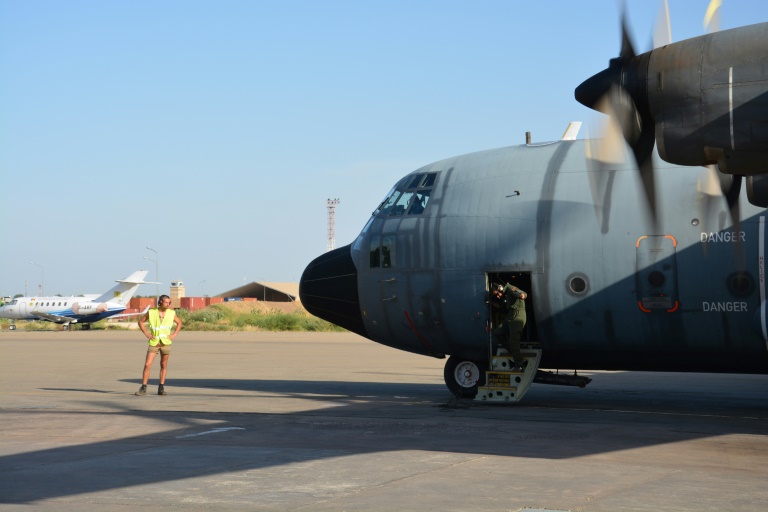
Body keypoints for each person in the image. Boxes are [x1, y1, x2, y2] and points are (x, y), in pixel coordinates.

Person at [135, 295, 182, 396]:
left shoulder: (171, 313)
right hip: (154, 342)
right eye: (166, 302)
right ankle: (143, 387)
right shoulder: (151, 312)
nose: (168, 304)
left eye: (169, 303)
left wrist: (174, 334)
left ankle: (161, 387)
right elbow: (141, 322)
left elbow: (179, 323)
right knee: (147, 364)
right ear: (160, 302)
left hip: (166, 343)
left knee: (163, 365)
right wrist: (146, 333)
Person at [490, 283, 527, 370]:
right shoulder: (505, 294)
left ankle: (519, 364)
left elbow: (523, 294)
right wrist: (490, 302)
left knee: (514, 341)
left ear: (500, 288)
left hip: (517, 315)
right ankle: (513, 352)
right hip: (510, 316)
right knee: (498, 333)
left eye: (497, 294)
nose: (498, 296)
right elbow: (500, 306)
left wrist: (521, 295)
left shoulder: (511, 289)